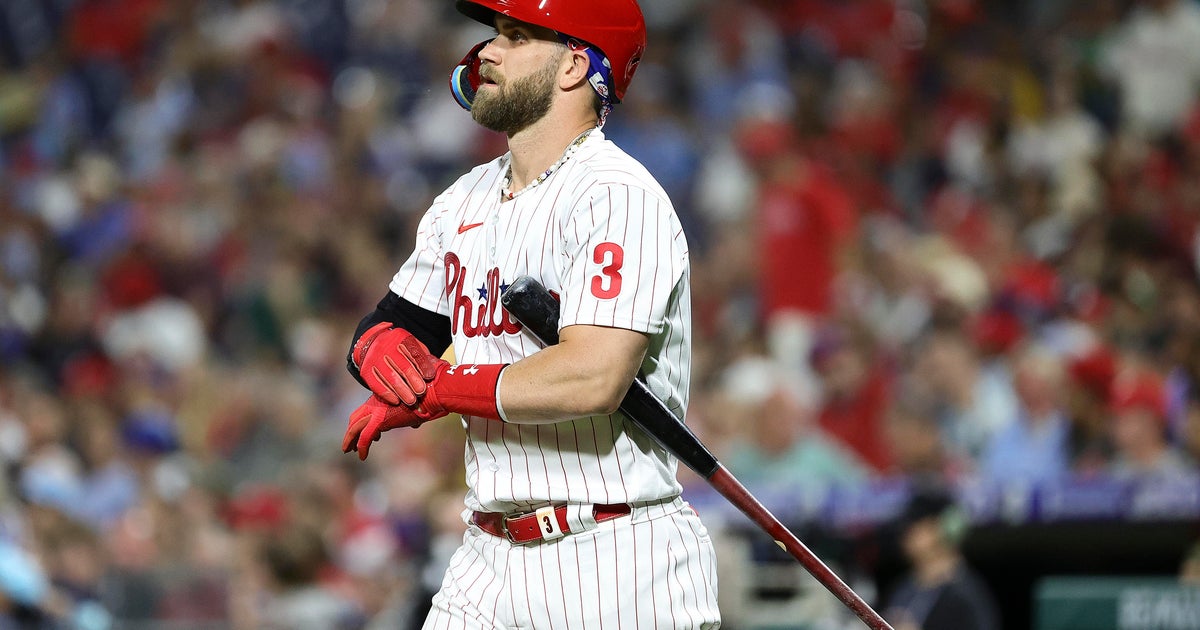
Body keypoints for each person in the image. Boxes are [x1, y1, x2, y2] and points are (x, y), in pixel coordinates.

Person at [339, 1, 721, 627]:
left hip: (613, 558)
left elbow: (592, 377)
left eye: (516, 37)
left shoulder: (617, 196)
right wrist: (377, 350)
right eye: (494, 34)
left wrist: (443, 389)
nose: (487, 51)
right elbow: (395, 325)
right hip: (486, 556)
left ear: (574, 65)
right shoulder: (463, 199)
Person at [883, 481, 1000, 630]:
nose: (905, 534)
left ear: (939, 528)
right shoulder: (902, 589)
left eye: (915, 526)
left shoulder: (966, 594)